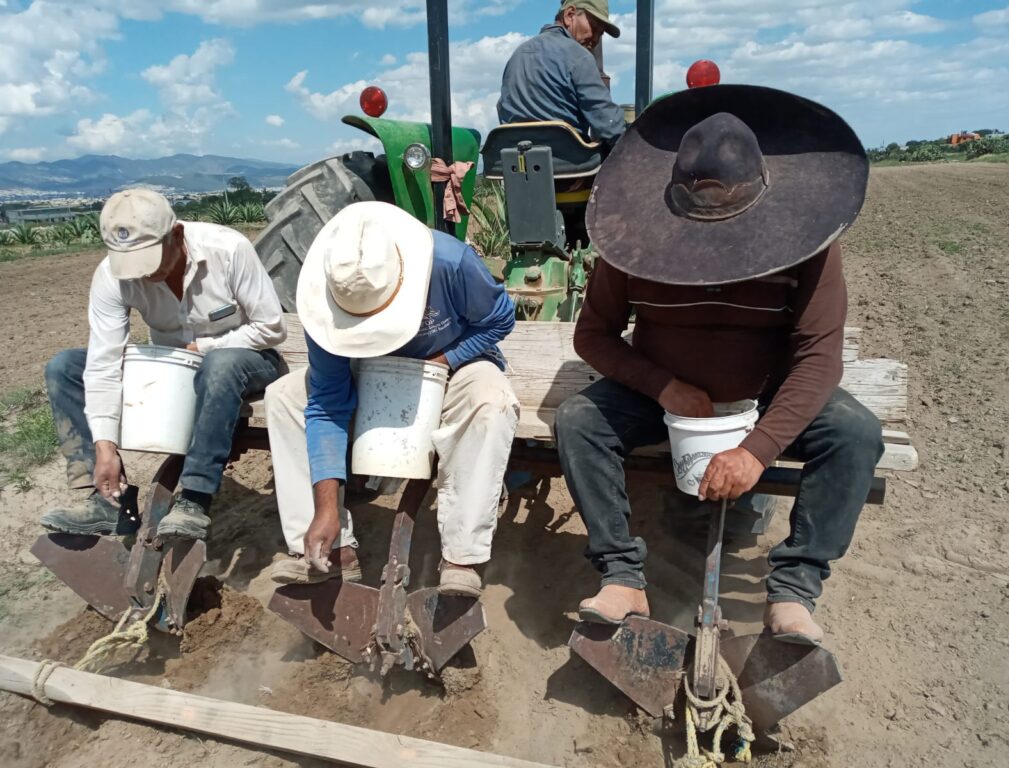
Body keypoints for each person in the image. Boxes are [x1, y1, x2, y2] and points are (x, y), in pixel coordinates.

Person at [554, 85, 884, 645]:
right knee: (579, 422)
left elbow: (819, 356)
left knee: (856, 434)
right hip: (664, 395)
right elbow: (593, 336)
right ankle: (622, 577)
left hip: (767, 391)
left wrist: (758, 450)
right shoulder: (630, 237)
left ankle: (793, 591)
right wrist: (663, 387)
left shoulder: (809, 240)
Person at [265, 201, 518, 597]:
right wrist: (327, 504)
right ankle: (327, 548)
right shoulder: (324, 298)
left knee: (491, 401)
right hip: (370, 376)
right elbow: (327, 403)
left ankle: (461, 557)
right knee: (284, 396)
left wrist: (443, 360)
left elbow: (500, 320)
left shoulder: (450, 263)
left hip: (452, 371)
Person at [41, 188, 285, 540]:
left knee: (219, 365)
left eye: (150, 259)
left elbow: (271, 327)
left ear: (177, 235)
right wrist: (105, 446)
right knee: (65, 367)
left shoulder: (228, 249)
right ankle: (107, 501)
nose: (142, 274)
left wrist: (204, 346)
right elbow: (103, 361)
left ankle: (195, 497)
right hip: (173, 367)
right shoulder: (112, 275)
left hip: (249, 360)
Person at [497, 0, 625, 148]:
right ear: (570, 15)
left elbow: (502, 108)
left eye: (600, 34)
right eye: (594, 27)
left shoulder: (517, 55)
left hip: (513, 161)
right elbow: (608, 125)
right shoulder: (579, 56)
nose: (596, 38)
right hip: (568, 165)